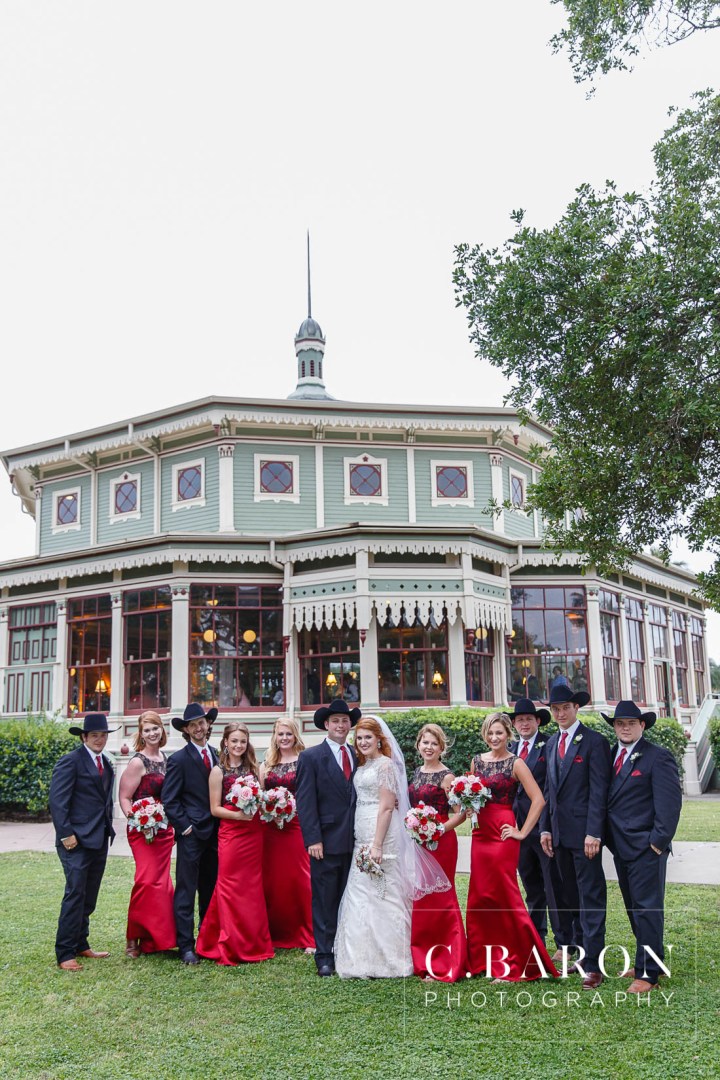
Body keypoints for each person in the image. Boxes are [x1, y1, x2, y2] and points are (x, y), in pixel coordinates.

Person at [334, 715, 449, 979]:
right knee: (361, 890)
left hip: (382, 833)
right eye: (359, 738)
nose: (363, 742)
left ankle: (393, 958)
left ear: (379, 740)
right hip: (361, 831)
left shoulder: (386, 765)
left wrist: (376, 844)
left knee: (385, 890)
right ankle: (359, 957)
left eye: (368, 737)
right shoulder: (363, 765)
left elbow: (386, 807)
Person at [465, 712, 559, 982]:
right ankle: (483, 960)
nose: (494, 737)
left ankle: (515, 962)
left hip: (503, 833)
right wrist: (469, 811)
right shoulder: (476, 761)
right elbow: (470, 797)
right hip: (480, 834)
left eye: (499, 733)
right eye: (490, 733)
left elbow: (538, 799)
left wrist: (522, 832)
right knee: (480, 896)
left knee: (504, 895)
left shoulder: (516, 763)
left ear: (508, 734)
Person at [602, 700, 682, 994]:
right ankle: (650, 961)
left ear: (642, 725)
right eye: (620, 723)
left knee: (648, 909)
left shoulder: (657, 757)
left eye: (631, 723)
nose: (625, 728)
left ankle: (648, 975)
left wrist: (657, 844)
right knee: (634, 908)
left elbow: (670, 805)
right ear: (614, 727)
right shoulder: (611, 755)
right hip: (620, 846)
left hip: (647, 848)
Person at [539, 685, 612, 989]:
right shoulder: (551, 743)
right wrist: (545, 828)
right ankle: (582, 954)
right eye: (555, 709)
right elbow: (548, 791)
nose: (560, 713)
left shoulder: (594, 742)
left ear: (576, 708)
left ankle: (594, 964)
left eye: (565, 707)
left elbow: (599, 792)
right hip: (558, 836)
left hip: (585, 837)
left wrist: (594, 832)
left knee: (590, 896)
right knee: (571, 897)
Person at [196, 723, 274, 965]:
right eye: (234, 741)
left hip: (253, 833)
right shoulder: (218, 771)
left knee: (251, 886)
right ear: (225, 743)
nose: (238, 745)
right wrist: (238, 816)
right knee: (229, 885)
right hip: (231, 834)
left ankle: (253, 942)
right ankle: (228, 942)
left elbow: (261, 799)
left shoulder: (254, 769)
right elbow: (214, 808)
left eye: (242, 741)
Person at [48, 713, 117, 972]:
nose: (100, 739)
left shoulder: (106, 763)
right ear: (84, 737)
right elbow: (58, 801)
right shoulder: (70, 761)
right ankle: (65, 952)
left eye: (103, 735)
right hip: (74, 841)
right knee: (75, 894)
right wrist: (66, 834)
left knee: (89, 896)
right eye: (95, 735)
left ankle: (81, 943)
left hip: (99, 838)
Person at [295, 698, 359, 976]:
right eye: (335, 721)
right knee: (324, 900)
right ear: (326, 724)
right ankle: (324, 956)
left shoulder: (358, 754)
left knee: (351, 899)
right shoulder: (311, 757)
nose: (340, 725)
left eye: (345, 721)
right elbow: (305, 801)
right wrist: (313, 839)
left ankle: (347, 950)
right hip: (325, 841)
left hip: (356, 840)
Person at [507, 698, 573, 959]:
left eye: (528, 719)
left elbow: (551, 789)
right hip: (518, 829)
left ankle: (564, 943)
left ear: (537, 721)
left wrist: (547, 826)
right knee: (531, 886)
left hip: (544, 828)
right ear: (514, 724)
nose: (524, 723)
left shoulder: (550, 745)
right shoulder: (509, 749)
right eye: (519, 720)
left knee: (553, 887)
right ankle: (536, 940)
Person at [408, 723, 468, 982]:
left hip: (441, 843)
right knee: (422, 898)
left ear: (442, 748)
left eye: (434, 743)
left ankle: (447, 959)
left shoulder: (447, 777)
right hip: (419, 841)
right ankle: (423, 958)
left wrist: (438, 829)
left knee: (441, 897)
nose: (429, 747)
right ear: (418, 745)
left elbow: (461, 813)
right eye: (425, 742)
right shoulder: (416, 772)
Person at [162, 702, 219, 965]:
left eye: (201, 723)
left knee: (210, 888)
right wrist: (185, 827)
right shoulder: (178, 760)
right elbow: (170, 799)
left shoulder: (217, 755)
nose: (198, 728)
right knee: (186, 890)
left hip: (216, 834)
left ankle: (206, 940)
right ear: (186, 729)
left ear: (208, 725)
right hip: (191, 835)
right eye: (193, 724)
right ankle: (185, 945)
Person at [118, 711, 176, 957]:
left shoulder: (166, 759)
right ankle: (133, 937)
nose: (152, 733)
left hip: (163, 831)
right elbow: (124, 798)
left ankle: (156, 939)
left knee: (161, 883)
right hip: (141, 831)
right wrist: (138, 819)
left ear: (162, 730)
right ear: (141, 734)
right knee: (146, 881)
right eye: (147, 730)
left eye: (156, 728)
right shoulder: (137, 762)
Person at [259, 717, 314, 951]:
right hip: (271, 829)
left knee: (300, 879)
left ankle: (307, 932)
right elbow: (261, 796)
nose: (284, 738)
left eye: (288, 734)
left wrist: (291, 809)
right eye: (280, 734)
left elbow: (309, 794)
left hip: (295, 826)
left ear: (295, 736)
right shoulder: (266, 765)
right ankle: (275, 932)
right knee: (273, 880)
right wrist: (270, 809)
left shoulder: (304, 760)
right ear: (274, 736)